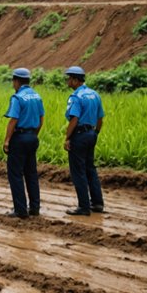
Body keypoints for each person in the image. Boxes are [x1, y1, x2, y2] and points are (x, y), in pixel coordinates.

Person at [3, 68, 44, 218]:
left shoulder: (18, 97)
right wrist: (34, 134)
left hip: (19, 138)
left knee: (16, 174)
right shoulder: (37, 96)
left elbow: (13, 120)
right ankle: (35, 207)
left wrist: (7, 140)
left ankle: (20, 209)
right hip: (32, 137)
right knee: (31, 173)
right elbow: (41, 119)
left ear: (16, 81)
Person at [63, 66, 105, 215]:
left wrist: (67, 137)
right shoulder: (94, 95)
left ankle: (84, 206)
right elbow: (100, 118)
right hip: (91, 133)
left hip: (79, 135)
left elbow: (74, 118)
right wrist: (95, 133)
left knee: (78, 171)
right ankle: (97, 203)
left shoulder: (76, 97)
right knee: (90, 169)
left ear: (75, 80)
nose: (68, 81)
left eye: (69, 78)